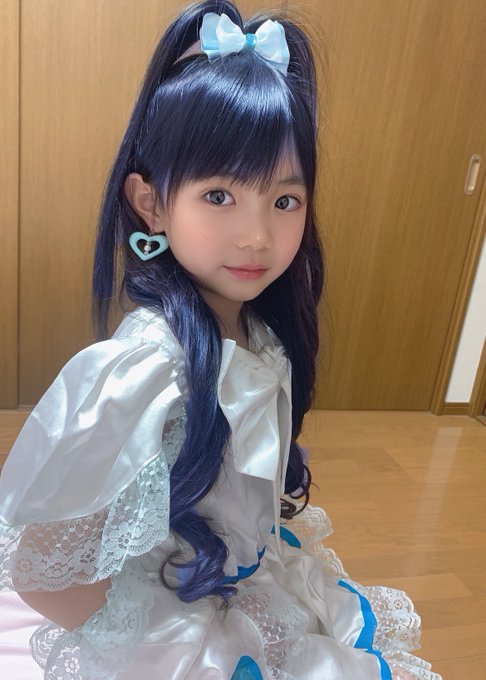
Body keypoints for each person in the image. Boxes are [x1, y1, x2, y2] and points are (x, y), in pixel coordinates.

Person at [0, 2, 441, 678]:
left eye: (284, 201)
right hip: (176, 625)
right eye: (218, 196)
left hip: (239, 580)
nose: (257, 236)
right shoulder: (143, 371)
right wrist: (148, 640)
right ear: (151, 203)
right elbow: (45, 572)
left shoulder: (261, 330)